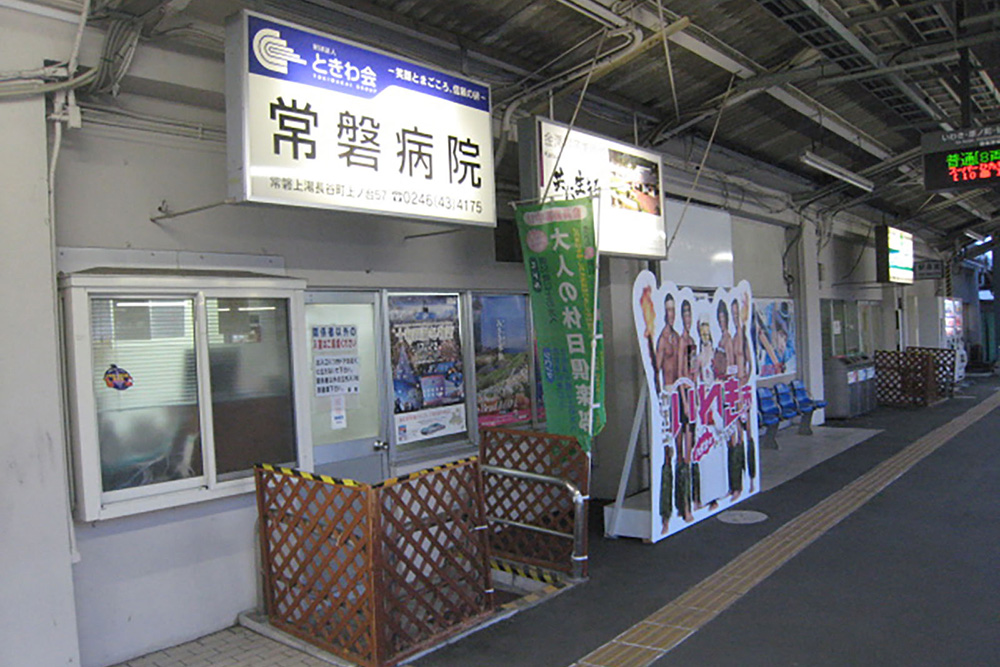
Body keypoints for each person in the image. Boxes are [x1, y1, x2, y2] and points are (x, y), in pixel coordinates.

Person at [655, 293, 680, 534]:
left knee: (683, 450)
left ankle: (683, 505)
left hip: (682, 397)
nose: (671, 314)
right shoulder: (663, 340)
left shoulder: (679, 337)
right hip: (666, 399)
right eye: (668, 310)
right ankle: (665, 516)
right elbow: (656, 370)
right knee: (667, 454)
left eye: (673, 310)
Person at [675, 299, 697, 523]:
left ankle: (692, 501)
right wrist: (686, 403)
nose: (688, 319)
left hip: (695, 396)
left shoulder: (692, 339)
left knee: (693, 451)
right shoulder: (682, 341)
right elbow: (681, 375)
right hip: (685, 400)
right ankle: (685, 506)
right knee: (684, 454)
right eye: (686, 315)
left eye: (690, 315)